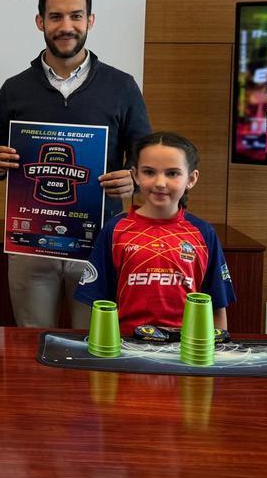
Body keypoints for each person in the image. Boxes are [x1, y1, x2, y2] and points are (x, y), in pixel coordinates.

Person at [0, 0, 151, 329]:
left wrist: (132, 178)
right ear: (40, 22)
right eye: (56, 17)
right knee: (31, 343)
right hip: (30, 242)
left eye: (76, 16)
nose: (66, 26)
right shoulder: (15, 88)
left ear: (90, 20)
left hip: (97, 242)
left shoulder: (121, 86)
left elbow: (143, 159)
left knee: (92, 346)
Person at [74, 131, 235, 333]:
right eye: (149, 172)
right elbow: (98, 304)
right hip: (126, 349)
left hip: (185, 351)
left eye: (172, 173)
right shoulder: (115, 229)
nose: (160, 183)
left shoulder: (203, 233)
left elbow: (217, 306)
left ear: (191, 179)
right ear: (135, 175)